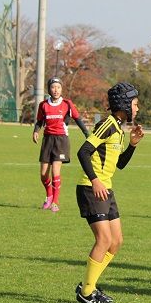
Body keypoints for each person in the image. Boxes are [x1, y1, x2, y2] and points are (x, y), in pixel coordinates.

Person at [74, 82, 144, 303]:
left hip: (106, 189)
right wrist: (95, 180)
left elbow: (120, 164)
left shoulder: (119, 128)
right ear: (124, 104)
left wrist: (132, 145)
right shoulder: (107, 125)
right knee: (104, 240)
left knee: (116, 242)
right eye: (135, 104)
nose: (137, 108)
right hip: (91, 188)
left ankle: (89, 285)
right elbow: (83, 152)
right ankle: (87, 292)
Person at [32, 77, 89, 212]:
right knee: (43, 174)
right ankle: (49, 196)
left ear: (61, 89)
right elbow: (39, 121)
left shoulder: (67, 104)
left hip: (61, 140)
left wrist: (87, 133)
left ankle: (55, 202)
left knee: (55, 171)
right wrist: (36, 131)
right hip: (47, 140)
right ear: (49, 89)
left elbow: (78, 119)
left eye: (58, 87)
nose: (56, 90)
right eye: (53, 87)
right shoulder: (43, 105)